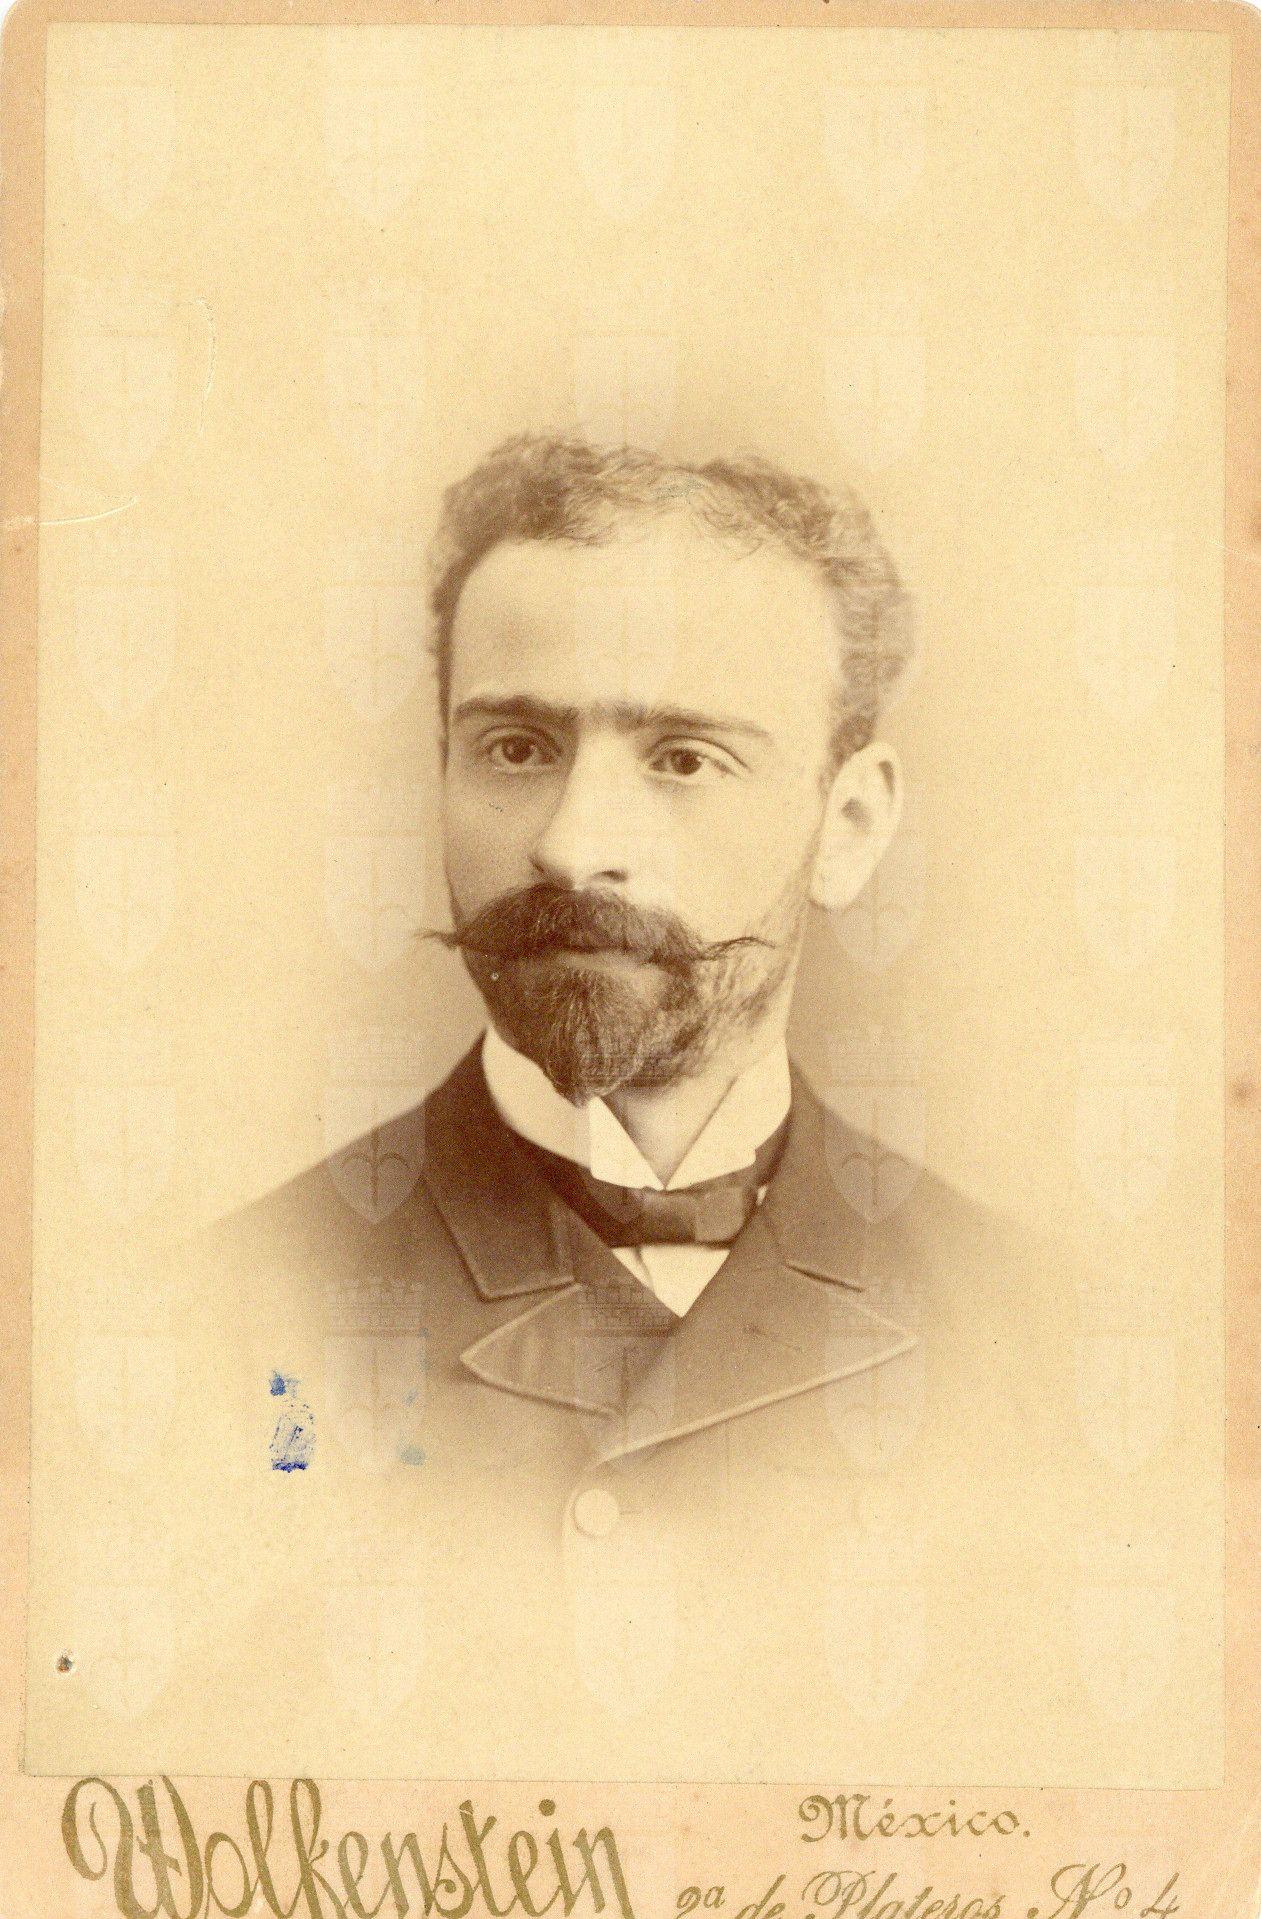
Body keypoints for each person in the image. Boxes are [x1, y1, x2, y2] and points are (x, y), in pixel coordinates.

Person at [190, 436, 1067, 1776]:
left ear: (847, 826)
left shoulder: (1042, 1349)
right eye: (515, 746)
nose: (566, 843)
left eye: (683, 759)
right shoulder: (213, 1320)